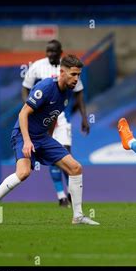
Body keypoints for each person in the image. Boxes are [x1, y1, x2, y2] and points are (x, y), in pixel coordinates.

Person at [0, 55, 99, 226]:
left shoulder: (67, 93)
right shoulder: (46, 87)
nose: (76, 78)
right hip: (23, 134)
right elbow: (23, 113)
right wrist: (27, 141)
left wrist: (48, 138)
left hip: (43, 137)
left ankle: (78, 216)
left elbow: (53, 116)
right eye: (73, 74)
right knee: (23, 173)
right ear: (62, 72)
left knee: (76, 168)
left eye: (78, 75)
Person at [22, 39, 90, 207]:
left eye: (53, 51)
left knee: (65, 155)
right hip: (43, 117)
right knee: (51, 161)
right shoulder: (37, 66)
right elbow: (25, 88)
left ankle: (71, 194)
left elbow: (79, 93)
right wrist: (32, 107)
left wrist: (84, 117)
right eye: (48, 51)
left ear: (60, 52)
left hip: (61, 118)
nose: (50, 54)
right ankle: (61, 197)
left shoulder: (70, 69)